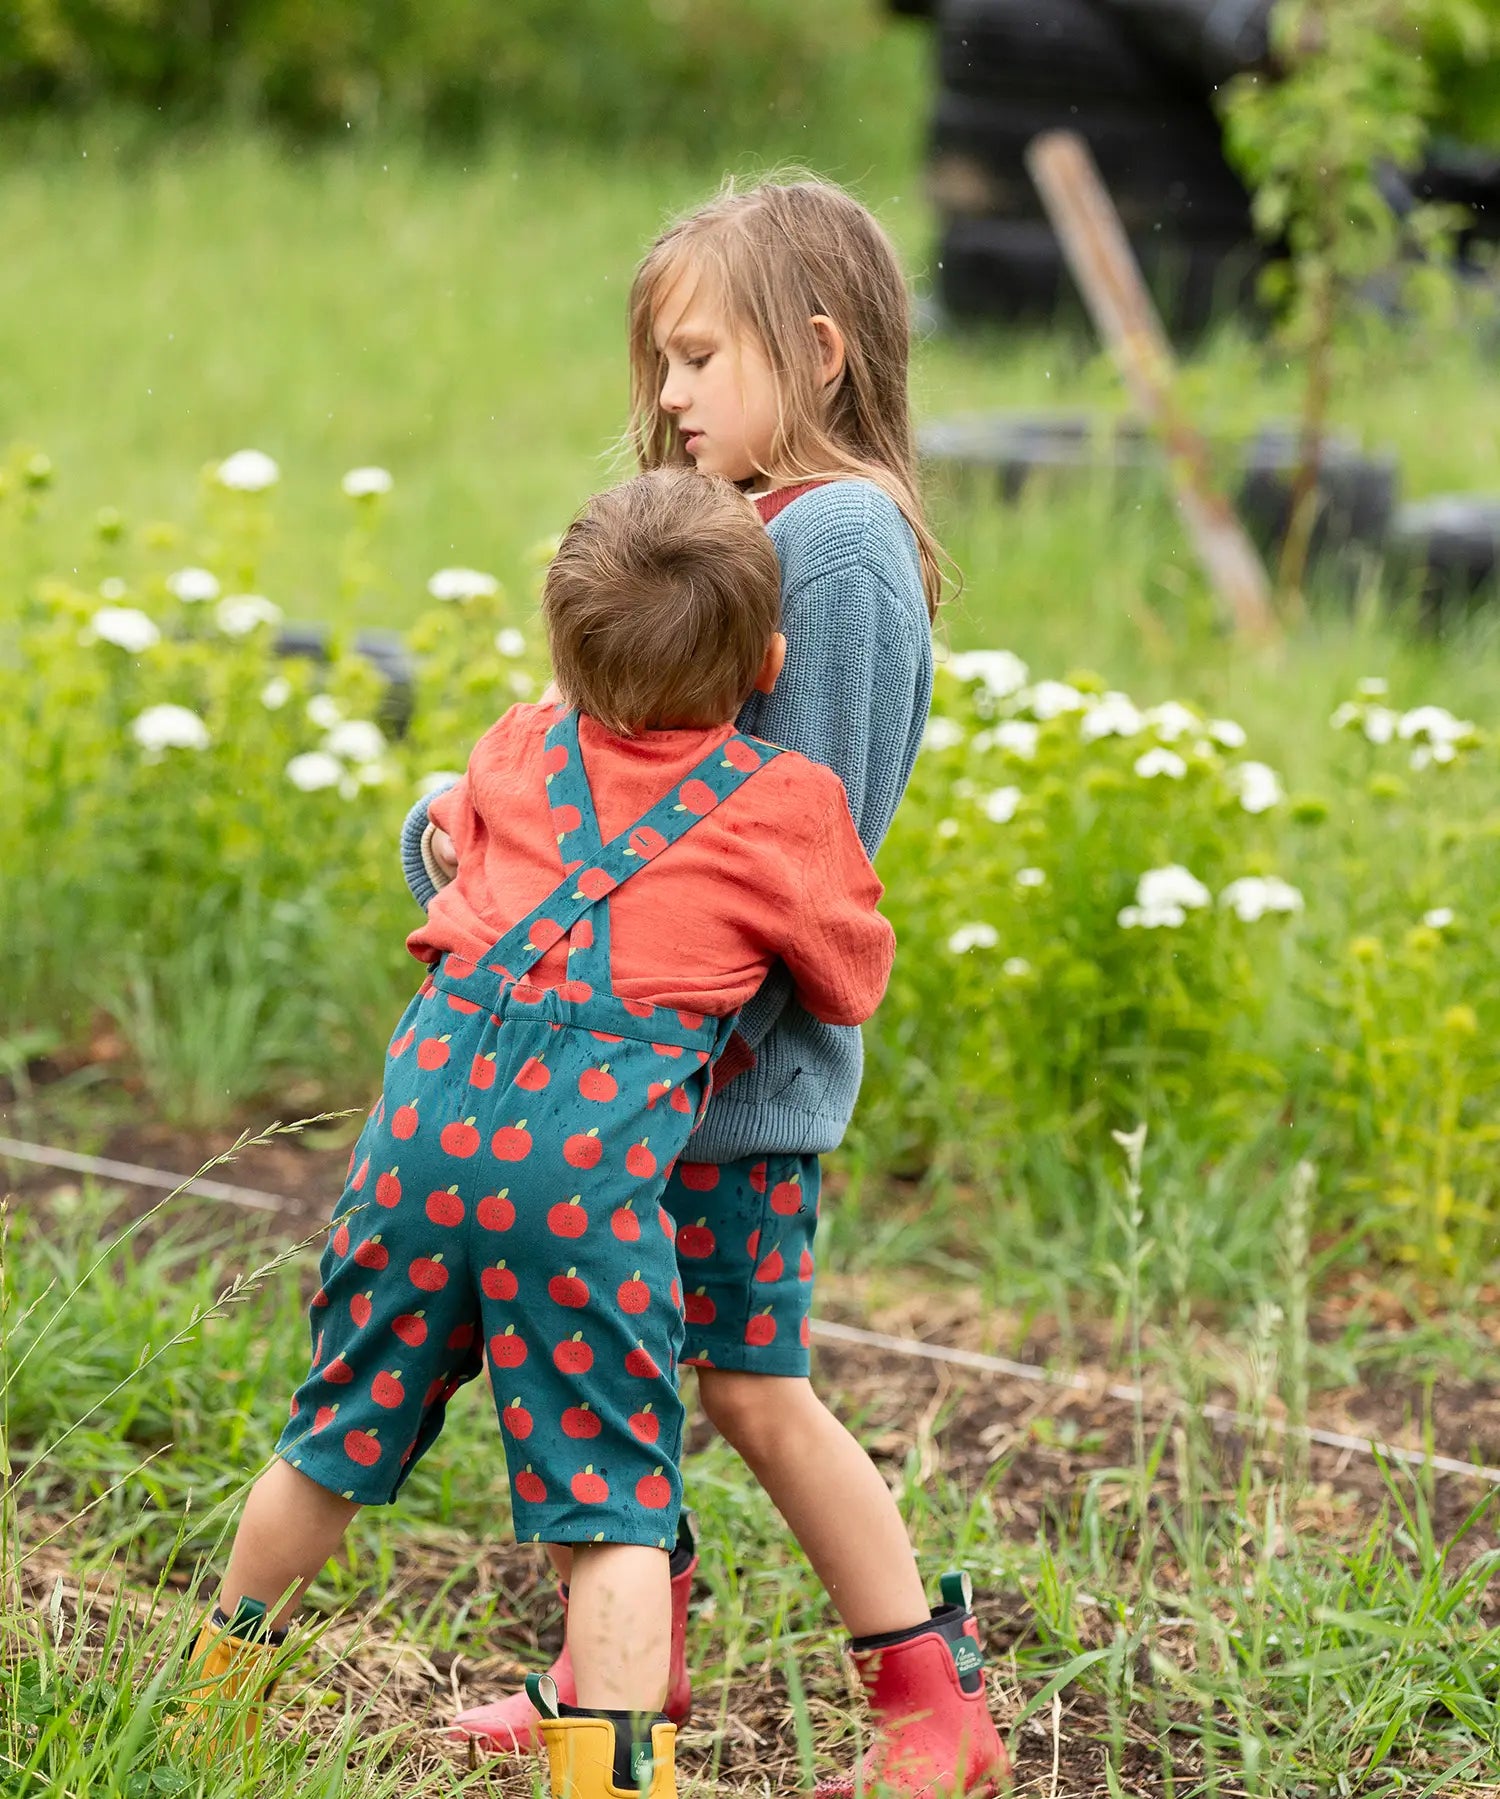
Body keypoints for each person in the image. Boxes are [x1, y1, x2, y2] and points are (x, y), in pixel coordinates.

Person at [402, 178, 1012, 1798]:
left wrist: (600, 988)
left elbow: (791, 845)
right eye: (659, 365)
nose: (664, 400)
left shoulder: (841, 548)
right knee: (604, 1366)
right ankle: (621, 1686)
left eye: (692, 360)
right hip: (628, 1070)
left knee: (751, 1383)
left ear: (811, 353)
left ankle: (932, 1713)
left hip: (713, 1089)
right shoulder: (749, 534)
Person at [178, 468, 899, 1799]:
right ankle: (608, 1784)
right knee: (613, 1497)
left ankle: (210, 1697)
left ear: (563, 655)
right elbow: (850, 974)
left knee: (328, 1439)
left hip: (414, 1142)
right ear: (772, 662)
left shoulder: (515, 744)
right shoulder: (783, 798)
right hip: (577, 1189)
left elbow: (448, 845)